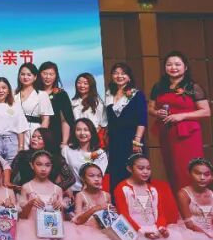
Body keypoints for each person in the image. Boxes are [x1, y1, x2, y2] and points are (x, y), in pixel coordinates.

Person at [150, 51, 212, 192]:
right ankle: (180, 202)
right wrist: (157, 113)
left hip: (188, 134)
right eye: (169, 64)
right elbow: (151, 108)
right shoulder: (159, 87)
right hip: (167, 132)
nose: (173, 67)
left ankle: (195, 201)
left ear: (185, 67)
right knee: (172, 170)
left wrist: (181, 116)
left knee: (187, 169)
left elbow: (206, 111)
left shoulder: (193, 87)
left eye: (177, 64)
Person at [114, 153, 193, 240]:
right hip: (134, 230)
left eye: (148, 168)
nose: (145, 172)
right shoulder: (122, 188)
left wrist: (161, 228)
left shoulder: (153, 189)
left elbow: (160, 214)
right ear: (129, 168)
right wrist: (141, 232)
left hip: (154, 228)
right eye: (141, 168)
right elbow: (123, 214)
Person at [16, 151, 77, 240]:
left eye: (47, 165)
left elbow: (61, 219)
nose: (43, 169)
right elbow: (23, 216)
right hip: (31, 230)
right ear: (32, 165)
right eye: (39, 164)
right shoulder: (26, 187)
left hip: (52, 230)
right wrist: (30, 203)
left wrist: (60, 207)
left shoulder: (57, 189)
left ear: (51, 166)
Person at [106, 62, 148, 194]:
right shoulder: (109, 94)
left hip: (132, 139)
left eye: (123, 73)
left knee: (134, 171)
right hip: (114, 141)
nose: (119, 76)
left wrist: (137, 140)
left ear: (129, 77)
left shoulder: (137, 95)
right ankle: (117, 202)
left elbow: (142, 119)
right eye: (116, 73)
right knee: (116, 172)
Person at [70, 163, 123, 240]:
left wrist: (112, 212)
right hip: (86, 230)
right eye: (91, 176)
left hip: (103, 230)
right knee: (84, 239)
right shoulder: (80, 195)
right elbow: (78, 221)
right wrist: (95, 209)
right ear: (83, 178)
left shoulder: (107, 195)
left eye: (99, 176)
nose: (97, 179)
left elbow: (109, 217)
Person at [10, 128, 75, 191]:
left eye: (39, 138)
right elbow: (11, 173)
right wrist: (16, 188)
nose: (34, 139)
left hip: (47, 194)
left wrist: (54, 189)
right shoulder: (22, 155)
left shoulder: (56, 158)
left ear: (47, 140)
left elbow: (71, 179)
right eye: (33, 137)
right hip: (26, 192)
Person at [61, 118, 107, 193]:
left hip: (92, 192)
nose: (82, 133)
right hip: (71, 192)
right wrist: (66, 188)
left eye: (86, 130)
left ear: (92, 132)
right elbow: (62, 174)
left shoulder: (100, 153)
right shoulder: (66, 150)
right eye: (78, 130)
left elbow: (98, 177)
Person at [39, 61, 75, 146]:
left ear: (56, 76)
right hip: (35, 134)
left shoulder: (61, 94)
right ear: (39, 74)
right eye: (45, 73)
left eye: (51, 74)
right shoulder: (34, 93)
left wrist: (65, 142)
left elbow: (65, 120)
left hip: (55, 135)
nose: (48, 77)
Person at [15, 62, 53, 140]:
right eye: (22, 74)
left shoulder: (42, 95)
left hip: (33, 131)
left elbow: (46, 119)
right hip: (14, 131)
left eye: (29, 75)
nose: (25, 77)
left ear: (35, 77)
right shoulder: (13, 94)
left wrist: (39, 137)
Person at [71, 72, 107, 144]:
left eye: (85, 83)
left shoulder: (97, 102)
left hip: (95, 138)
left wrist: (92, 135)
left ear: (91, 85)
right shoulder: (72, 102)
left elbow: (102, 123)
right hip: (77, 138)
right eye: (79, 83)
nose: (82, 85)